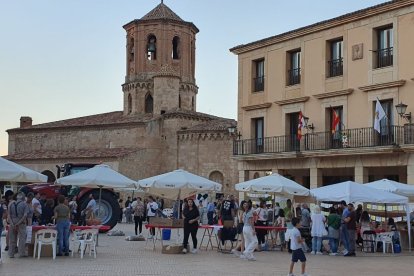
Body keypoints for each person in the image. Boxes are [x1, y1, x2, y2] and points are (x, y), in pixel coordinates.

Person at [8, 192, 29, 258]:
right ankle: (21, 253)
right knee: (22, 238)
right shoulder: (24, 204)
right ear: (23, 198)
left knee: (12, 239)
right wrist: (18, 223)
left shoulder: (11, 204)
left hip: (12, 222)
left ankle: (11, 254)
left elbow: (9, 215)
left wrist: (12, 223)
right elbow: (25, 215)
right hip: (21, 223)